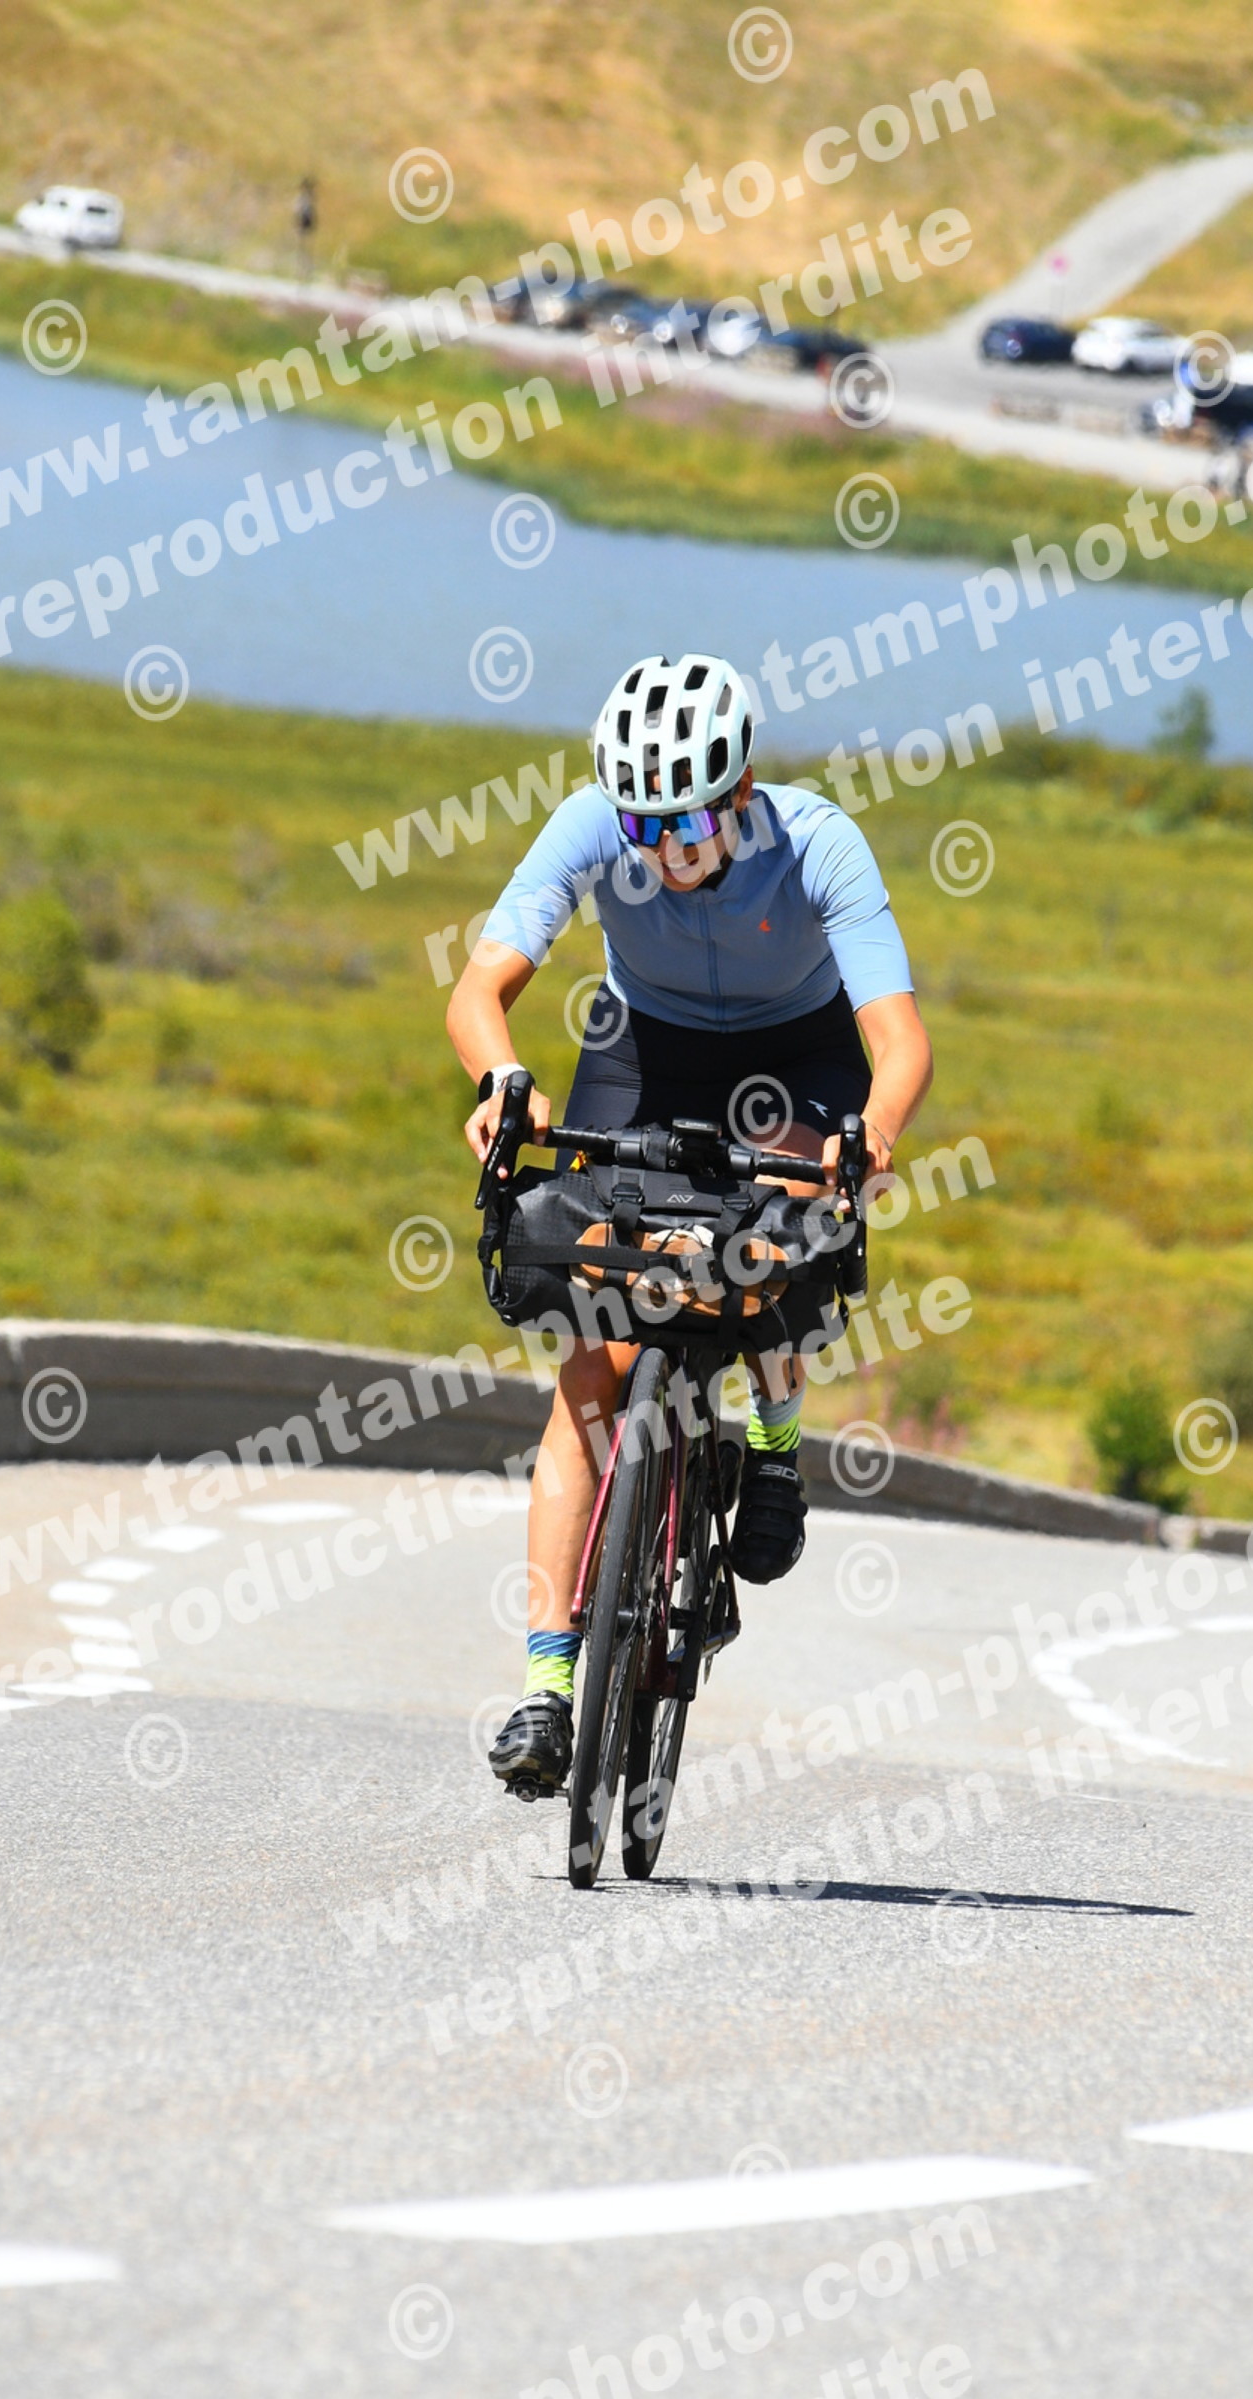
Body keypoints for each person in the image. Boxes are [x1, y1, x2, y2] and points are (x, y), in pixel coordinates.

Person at [446, 653, 932, 1793]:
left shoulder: (820, 843)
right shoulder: (587, 825)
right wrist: (504, 1081)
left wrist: (870, 1134)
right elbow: (479, 992)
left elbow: (899, 1041)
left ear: (743, 788)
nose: (665, 849)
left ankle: (774, 1442)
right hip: (644, 1051)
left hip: (795, 1054)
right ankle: (546, 1685)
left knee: (777, 1249)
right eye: (643, 823)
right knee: (589, 1365)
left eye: (691, 821)